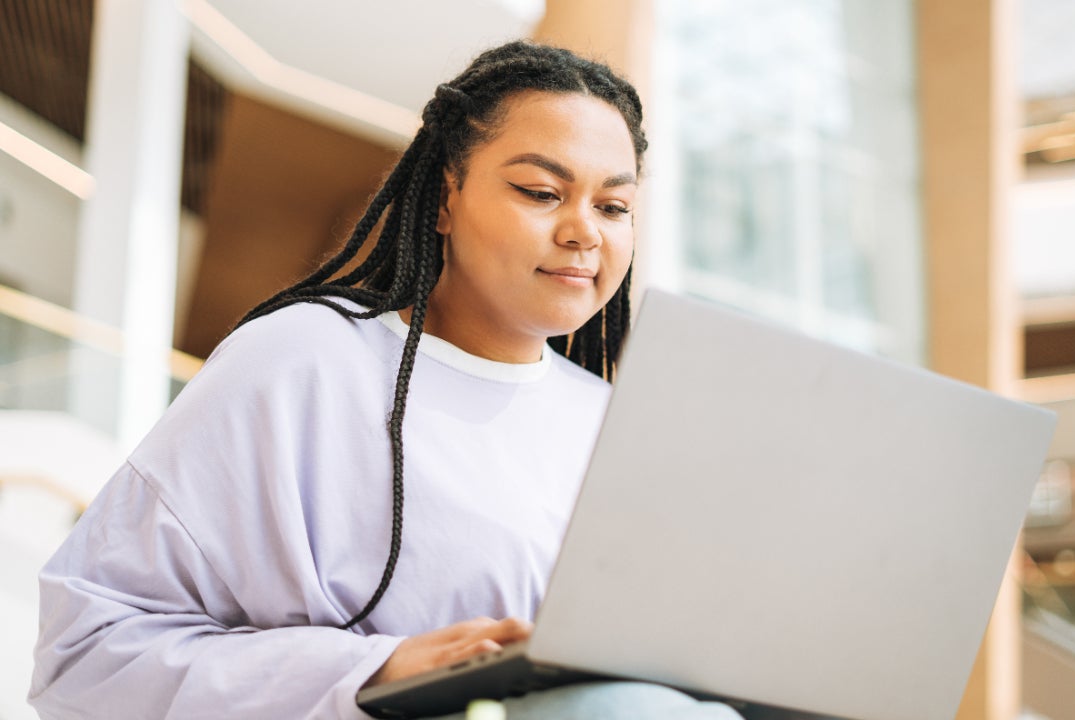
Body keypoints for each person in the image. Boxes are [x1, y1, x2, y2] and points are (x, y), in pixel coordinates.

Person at [30, 41, 742, 720]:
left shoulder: (612, 419)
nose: (584, 231)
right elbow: (83, 651)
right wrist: (376, 670)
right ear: (443, 199)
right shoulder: (302, 359)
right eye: (540, 191)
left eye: (614, 207)